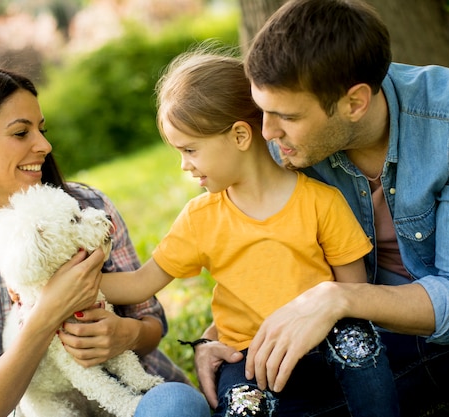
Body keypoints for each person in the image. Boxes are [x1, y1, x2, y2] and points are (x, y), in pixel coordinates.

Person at [193, 0, 449, 416]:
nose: (268, 132)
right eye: (262, 112)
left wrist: (341, 297)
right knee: (251, 396)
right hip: (356, 342)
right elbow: (252, 254)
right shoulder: (279, 147)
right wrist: (213, 337)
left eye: (286, 116)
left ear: (355, 103)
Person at [97, 46, 399, 417]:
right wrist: (64, 285)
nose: (184, 165)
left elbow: (353, 294)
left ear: (241, 136)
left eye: (190, 150)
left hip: (322, 345)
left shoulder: (322, 202)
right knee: (242, 407)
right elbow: (139, 284)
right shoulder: (199, 218)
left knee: (359, 340)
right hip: (249, 359)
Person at [0, 68, 210, 417]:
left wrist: (124, 335)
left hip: (134, 400)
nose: (44, 145)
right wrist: (48, 311)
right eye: (21, 132)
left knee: (179, 406)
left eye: (41, 130)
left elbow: (152, 323)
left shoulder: (89, 208)